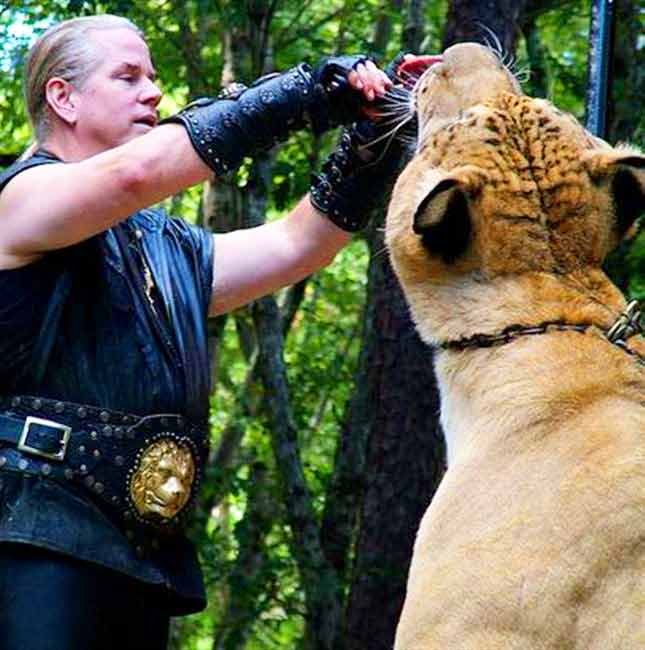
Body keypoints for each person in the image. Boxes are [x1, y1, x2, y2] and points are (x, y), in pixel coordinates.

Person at [0, 14, 416, 650]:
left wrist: (370, 144)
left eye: (154, 76)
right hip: (30, 534)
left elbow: (295, 245)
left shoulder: (167, 248)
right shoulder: (20, 200)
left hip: (141, 554)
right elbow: (133, 175)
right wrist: (304, 92)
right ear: (64, 97)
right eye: (127, 76)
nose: (153, 92)